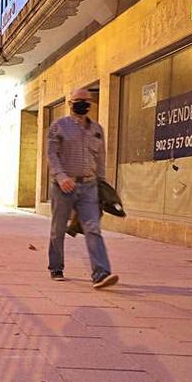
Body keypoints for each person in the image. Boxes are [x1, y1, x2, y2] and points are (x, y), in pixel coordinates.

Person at [46, 88, 118, 289]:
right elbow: (52, 155)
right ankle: (56, 266)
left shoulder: (97, 129)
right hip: (64, 186)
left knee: (93, 228)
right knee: (58, 228)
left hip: (89, 186)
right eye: (78, 101)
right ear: (70, 103)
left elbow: (101, 158)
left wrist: (102, 184)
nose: (83, 104)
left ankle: (101, 273)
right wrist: (61, 177)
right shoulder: (58, 126)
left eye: (86, 101)